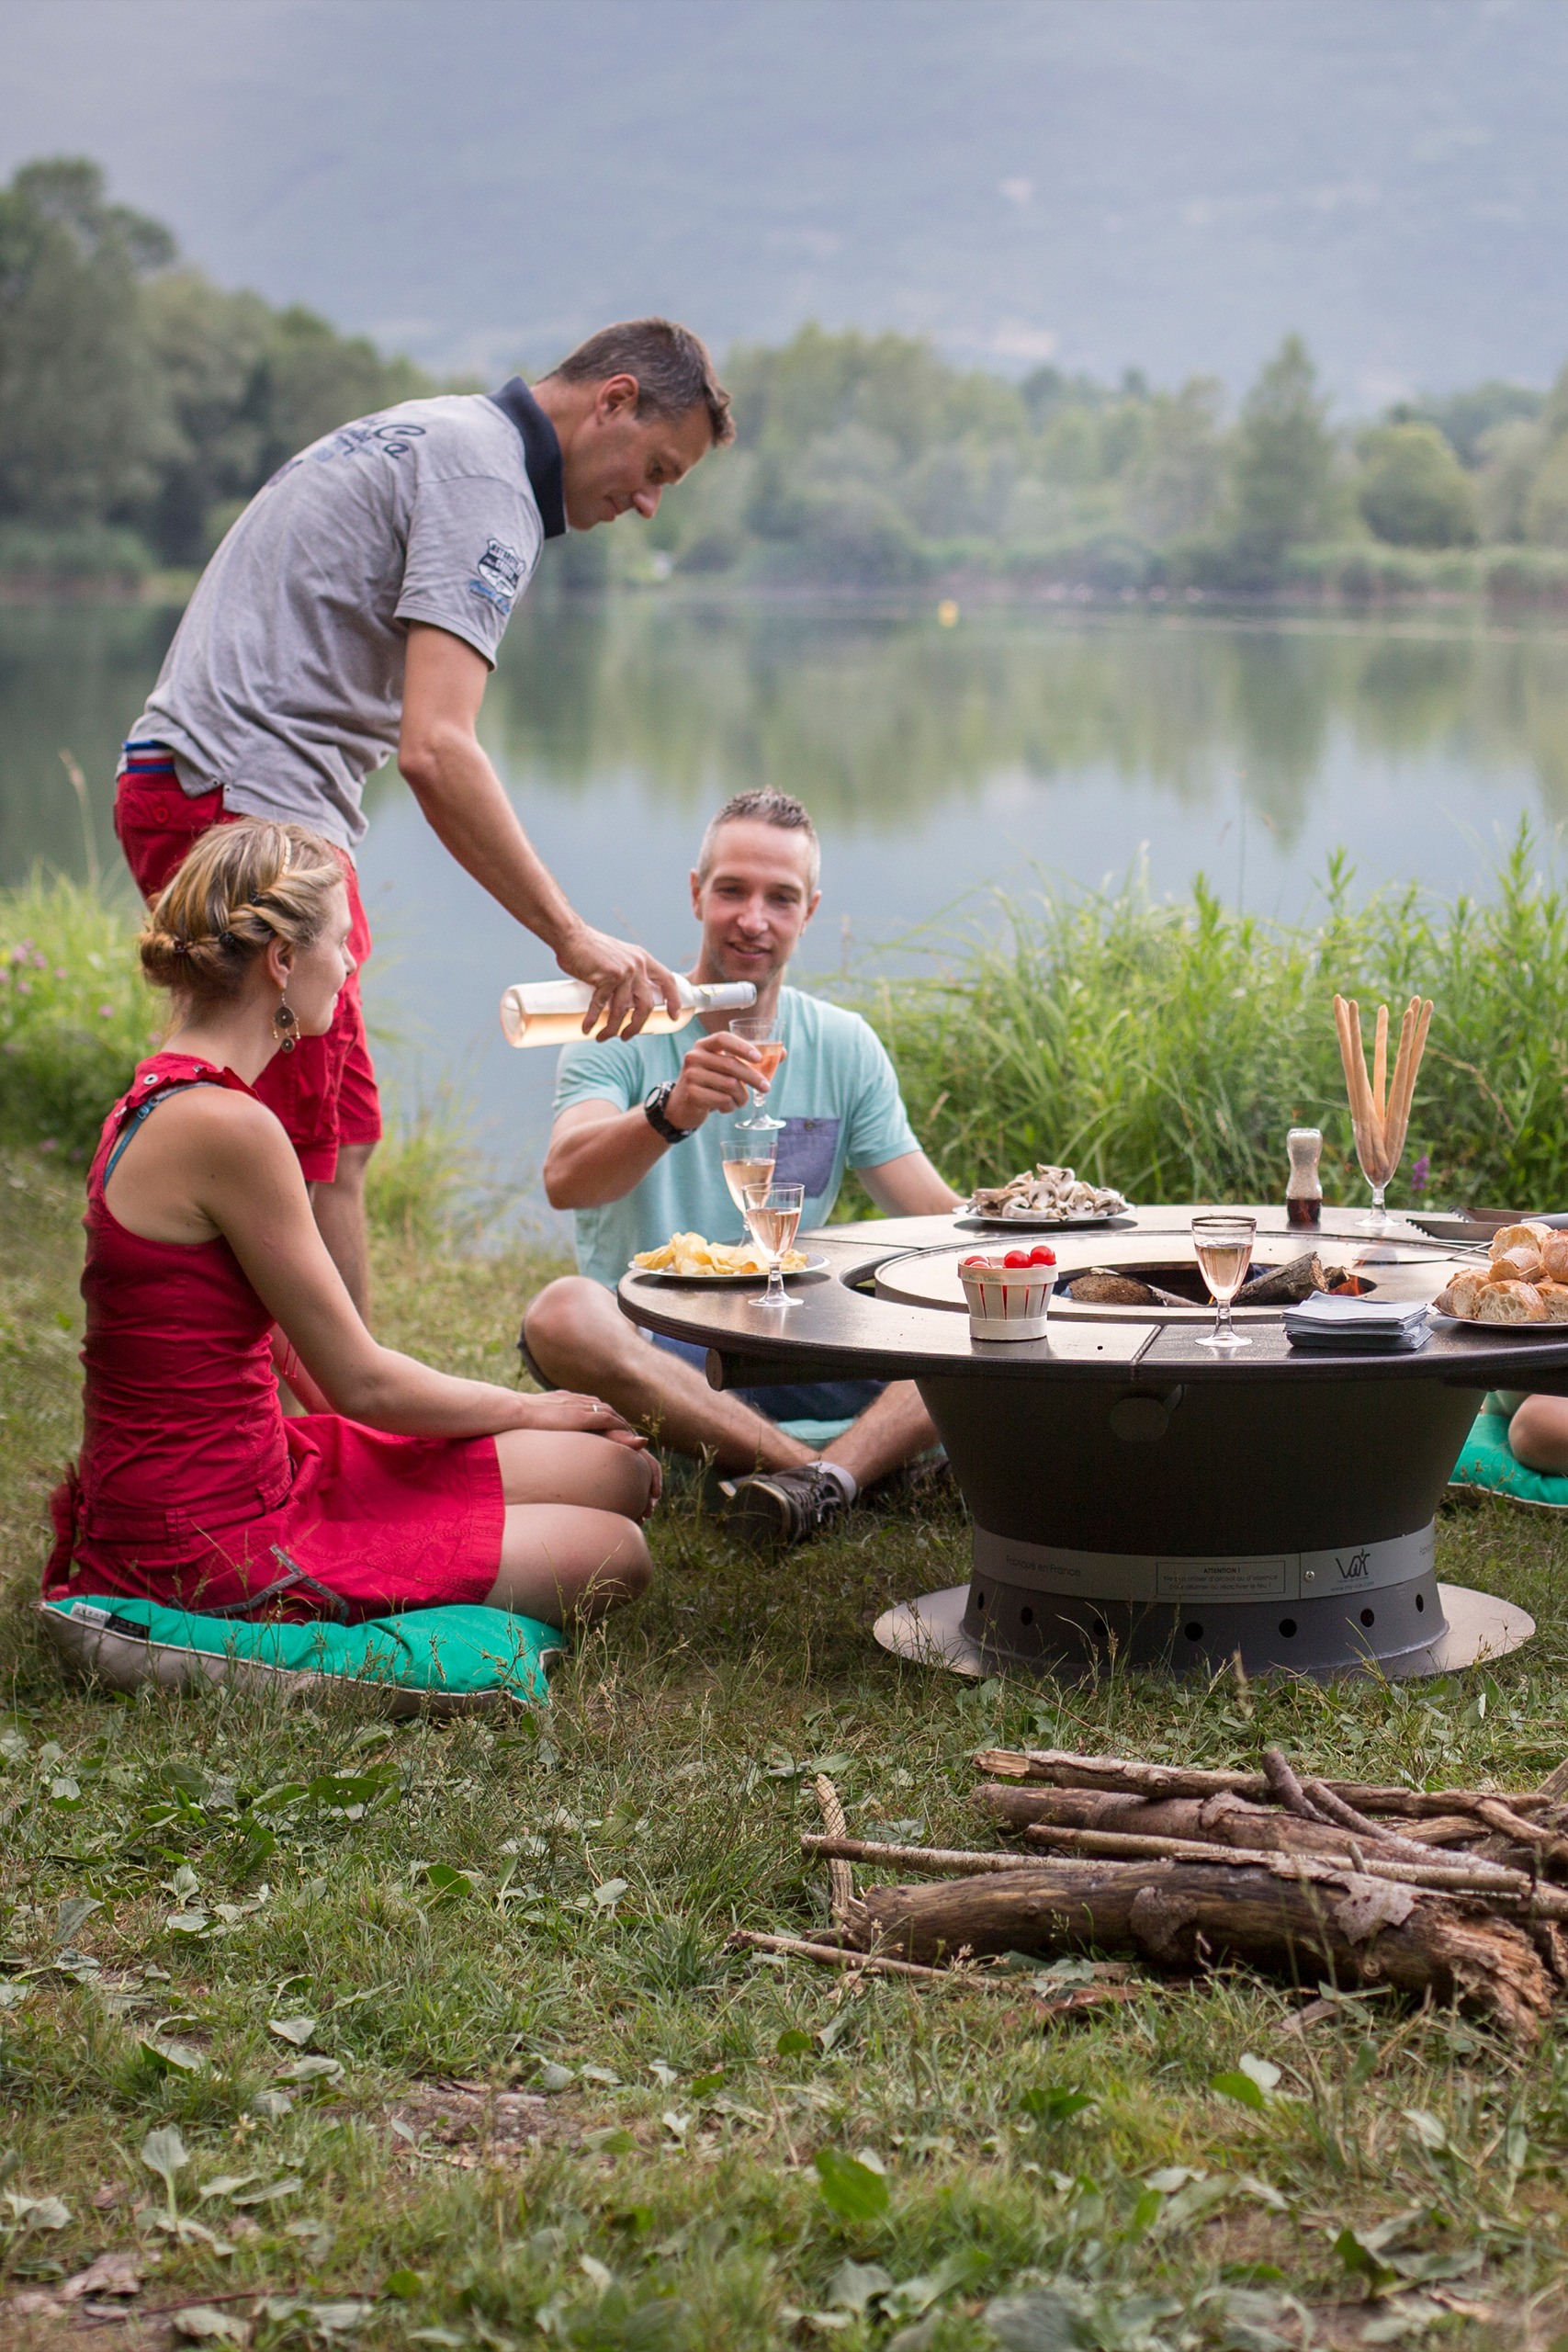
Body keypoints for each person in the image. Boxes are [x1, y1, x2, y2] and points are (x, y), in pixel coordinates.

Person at [113, 319, 734, 1317]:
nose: (651, 502)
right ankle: (316, 1441)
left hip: (217, 784)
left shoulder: (444, 434)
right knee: (301, 1154)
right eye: (656, 465)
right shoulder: (490, 490)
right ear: (613, 399)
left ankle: (327, 1419)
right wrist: (572, 937)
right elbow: (438, 748)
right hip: (245, 806)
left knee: (338, 1138)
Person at [45, 820, 656, 1629]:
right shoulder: (228, 1125)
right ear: (283, 961)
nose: (352, 961)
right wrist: (533, 1407)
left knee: (618, 1477)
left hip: (254, 1467)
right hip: (205, 1534)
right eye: (342, 940)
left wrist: (409, 1453)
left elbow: (290, 1338)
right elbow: (361, 1384)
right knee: (615, 1552)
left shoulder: (172, 1096)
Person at [522, 789, 961, 1547]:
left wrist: (1037, 1226)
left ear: (809, 912)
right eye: (731, 890)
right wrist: (672, 1111)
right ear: (696, 894)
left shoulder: (843, 1043)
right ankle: (837, 1473)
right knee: (561, 1316)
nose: (752, 919)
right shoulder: (619, 1024)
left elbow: (932, 1216)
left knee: (978, 1314)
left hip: (798, 1333)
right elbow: (567, 1179)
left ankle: (803, 1483)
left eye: (779, 898)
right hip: (657, 1342)